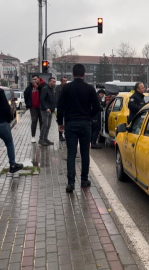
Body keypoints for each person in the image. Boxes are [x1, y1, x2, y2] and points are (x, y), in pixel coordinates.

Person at [57, 64, 101, 192]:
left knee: (71, 153)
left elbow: (60, 107)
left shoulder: (66, 88)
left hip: (70, 124)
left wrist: (60, 122)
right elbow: (97, 107)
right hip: (85, 124)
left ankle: (70, 183)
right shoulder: (90, 89)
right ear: (84, 74)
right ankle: (84, 180)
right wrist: (88, 117)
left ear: (72, 74)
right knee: (84, 153)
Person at [24, 75, 43, 143]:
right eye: (33, 79)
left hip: (41, 107)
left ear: (38, 79)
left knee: (42, 122)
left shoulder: (42, 85)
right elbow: (25, 93)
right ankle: (33, 136)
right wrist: (28, 103)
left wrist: (37, 86)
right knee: (34, 121)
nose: (34, 81)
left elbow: (43, 91)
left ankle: (42, 137)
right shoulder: (30, 87)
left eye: (35, 79)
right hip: (33, 107)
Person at [39, 77, 56, 146]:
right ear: (49, 82)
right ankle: (41, 139)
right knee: (45, 125)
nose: (54, 83)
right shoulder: (45, 89)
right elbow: (42, 99)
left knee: (48, 125)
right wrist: (46, 108)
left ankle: (45, 138)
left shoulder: (52, 89)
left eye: (54, 81)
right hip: (45, 110)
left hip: (50, 110)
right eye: (52, 81)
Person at [54, 76, 67, 141]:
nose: (65, 82)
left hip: (67, 108)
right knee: (60, 122)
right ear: (61, 81)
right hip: (60, 108)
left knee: (67, 122)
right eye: (64, 80)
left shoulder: (68, 87)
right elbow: (56, 98)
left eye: (66, 80)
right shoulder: (58, 88)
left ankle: (66, 134)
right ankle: (60, 135)